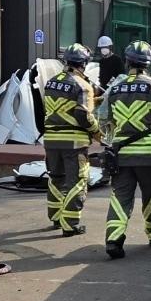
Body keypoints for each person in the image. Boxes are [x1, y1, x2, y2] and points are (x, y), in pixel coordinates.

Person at [100, 40, 151, 259]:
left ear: (127, 62)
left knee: (120, 197)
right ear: (148, 63)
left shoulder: (114, 89)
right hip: (149, 154)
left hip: (121, 154)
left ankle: (113, 239)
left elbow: (103, 120)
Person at [43, 43, 99, 236]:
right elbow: (83, 115)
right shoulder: (83, 85)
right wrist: (97, 131)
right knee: (77, 181)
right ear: (83, 63)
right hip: (74, 141)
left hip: (50, 139)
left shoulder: (50, 82)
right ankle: (70, 224)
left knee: (56, 178)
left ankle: (56, 217)